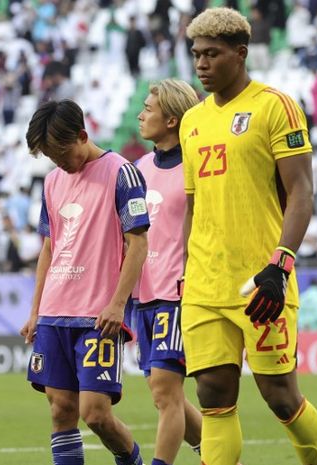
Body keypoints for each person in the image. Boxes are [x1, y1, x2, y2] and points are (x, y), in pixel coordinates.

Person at [179, 8, 317, 465]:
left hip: (261, 279)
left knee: (280, 396)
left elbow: (301, 193)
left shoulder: (275, 106)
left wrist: (280, 263)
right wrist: (186, 271)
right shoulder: (191, 121)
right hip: (205, 284)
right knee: (212, 395)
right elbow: (193, 203)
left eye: (212, 54)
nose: (202, 64)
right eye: (196, 55)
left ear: (240, 53)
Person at [21, 99, 149, 465]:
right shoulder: (52, 181)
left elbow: (138, 242)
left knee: (95, 413)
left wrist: (117, 303)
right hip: (54, 313)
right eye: (49, 155)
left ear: (82, 135)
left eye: (61, 151)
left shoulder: (121, 172)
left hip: (98, 315)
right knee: (61, 411)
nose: (57, 161)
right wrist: (35, 310)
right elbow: (49, 247)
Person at [134, 79, 203, 465]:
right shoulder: (139, 168)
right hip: (143, 293)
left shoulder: (196, 166)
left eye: (149, 108)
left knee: (164, 391)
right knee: (167, 394)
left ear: (172, 119)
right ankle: (220, 455)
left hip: (177, 291)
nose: (141, 114)